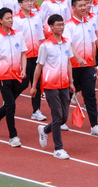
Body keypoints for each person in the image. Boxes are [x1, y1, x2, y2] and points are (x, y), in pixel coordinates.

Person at [30, 13, 74, 159]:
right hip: (50, 85)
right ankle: (58, 148)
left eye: (63, 24)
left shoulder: (67, 43)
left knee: (64, 117)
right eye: (58, 25)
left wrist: (71, 82)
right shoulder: (45, 46)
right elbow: (39, 66)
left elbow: (68, 62)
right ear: (51, 27)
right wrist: (34, 86)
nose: (61, 27)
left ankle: (44, 130)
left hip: (64, 85)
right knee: (57, 116)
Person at [65, 0, 98, 137]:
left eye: (85, 5)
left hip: (88, 66)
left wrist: (95, 61)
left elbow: (92, 42)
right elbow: (68, 45)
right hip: (74, 67)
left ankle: (94, 125)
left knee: (90, 95)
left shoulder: (90, 22)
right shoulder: (69, 26)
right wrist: (78, 58)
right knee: (67, 95)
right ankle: (61, 120)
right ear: (73, 8)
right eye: (80, 6)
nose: (84, 8)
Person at [0, 8, 26, 146]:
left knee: (9, 104)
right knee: (11, 104)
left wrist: (24, 69)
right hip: (2, 76)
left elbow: (23, 54)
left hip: (16, 75)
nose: (11, 20)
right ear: (0, 20)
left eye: (11, 17)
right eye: (7, 18)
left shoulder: (18, 35)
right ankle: (13, 136)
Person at [14, 0, 46, 121]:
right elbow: (15, 40)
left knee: (36, 84)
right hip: (24, 56)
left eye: (31, 1)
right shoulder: (16, 20)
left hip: (36, 55)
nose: (30, 3)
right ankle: (9, 99)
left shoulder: (37, 17)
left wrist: (42, 54)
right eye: (26, 1)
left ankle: (36, 110)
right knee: (23, 83)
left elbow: (41, 37)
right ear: (20, 4)